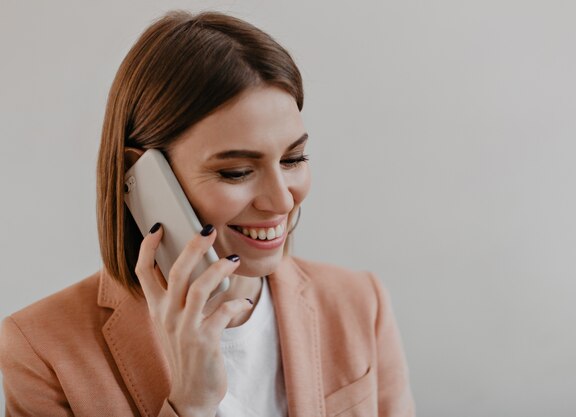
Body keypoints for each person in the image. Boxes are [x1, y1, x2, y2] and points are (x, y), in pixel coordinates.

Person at [0, 10, 415, 417]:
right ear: (142, 178)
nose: (282, 201)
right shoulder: (40, 350)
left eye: (293, 158)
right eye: (236, 171)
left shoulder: (361, 302)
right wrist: (190, 403)